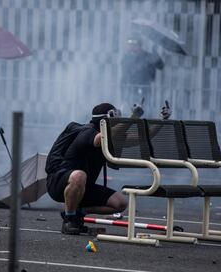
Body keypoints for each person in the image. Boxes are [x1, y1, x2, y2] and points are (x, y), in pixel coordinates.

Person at [46, 103, 136, 235]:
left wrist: (163, 121)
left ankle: (80, 211)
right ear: (104, 121)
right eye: (114, 120)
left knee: (120, 203)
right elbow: (100, 139)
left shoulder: (109, 136)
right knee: (79, 176)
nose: (117, 123)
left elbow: (139, 140)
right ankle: (69, 218)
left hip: (83, 187)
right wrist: (131, 119)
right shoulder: (88, 132)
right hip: (59, 182)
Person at [120, 33, 164, 117]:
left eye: (134, 44)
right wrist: (123, 91)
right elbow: (124, 76)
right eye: (130, 45)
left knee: (145, 109)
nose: (132, 47)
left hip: (144, 88)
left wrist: (155, 54)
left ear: (139, 45)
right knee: (130, 109)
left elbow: (161, 66)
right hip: (130, 89)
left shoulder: (148, 56)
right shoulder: (127, 57)